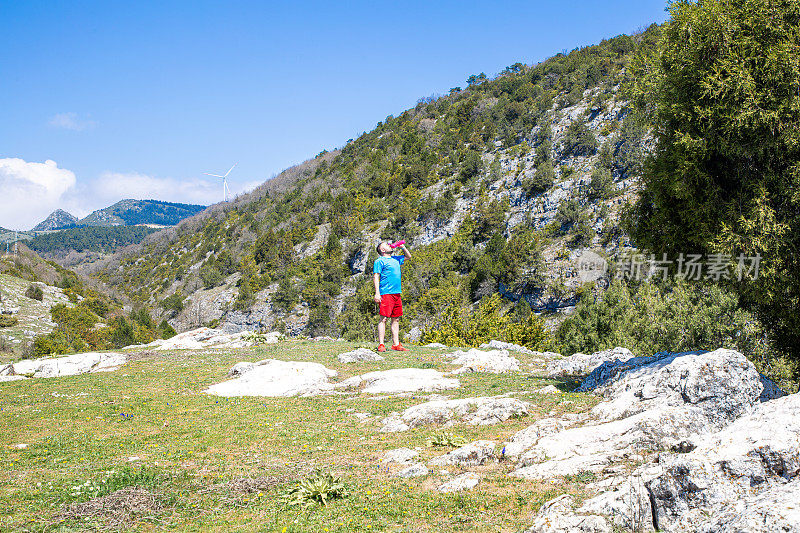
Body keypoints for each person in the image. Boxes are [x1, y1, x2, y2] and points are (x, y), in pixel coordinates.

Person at [373, 241, 411, 352]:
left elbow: (408, 256)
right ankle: (381, 344)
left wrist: (403, 246)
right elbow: (376, 276)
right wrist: (377, 293)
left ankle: (396, 344)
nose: (389, 244)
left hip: (397, 293)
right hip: (386, 293)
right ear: (382, 250)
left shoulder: (395, 259)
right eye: (386, 244)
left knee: (396, 319)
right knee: (383, 318)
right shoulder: (379, 261)